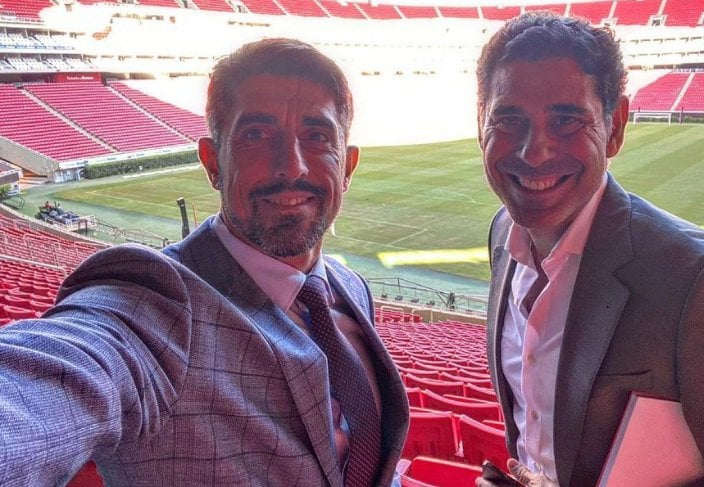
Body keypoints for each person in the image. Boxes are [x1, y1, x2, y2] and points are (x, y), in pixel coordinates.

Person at [0, 38, 408, 486]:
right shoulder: (153, 298)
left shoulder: (350, 289)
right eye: (256, 135)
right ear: (213, 162)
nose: (291, 166)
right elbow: (53, 377)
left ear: (347, 167)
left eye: (317, 137)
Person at [476, 13, 704, 487]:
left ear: (615, 127)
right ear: (481, 123)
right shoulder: (502, 234)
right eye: (508, 120)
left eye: (566, 120)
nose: (533, 152)